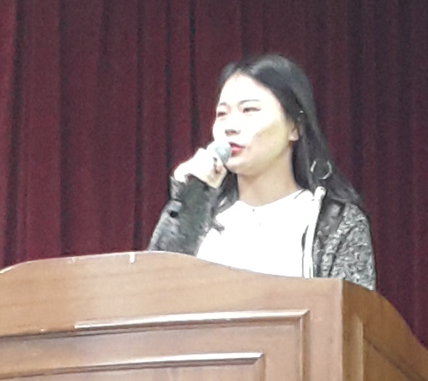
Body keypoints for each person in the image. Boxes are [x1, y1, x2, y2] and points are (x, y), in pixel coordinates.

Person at [147, 54, 375, 289]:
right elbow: (151, 292)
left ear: (295, 127)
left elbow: (351, 309)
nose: (230, 127)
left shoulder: (332, 221)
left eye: (249, 110)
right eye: (222, 114)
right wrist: (187, 202)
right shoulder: (202, 215)